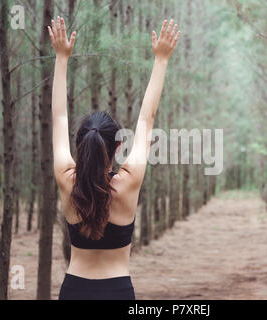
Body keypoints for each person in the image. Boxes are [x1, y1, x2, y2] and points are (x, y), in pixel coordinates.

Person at [47, 16, 180, 300]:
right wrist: (161, 60)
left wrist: (61, 58)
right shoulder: (128, 183)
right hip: (117, 291)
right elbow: (147, 118)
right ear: (119, 148)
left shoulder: (66, 179)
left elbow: (59, 118)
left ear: (79, 145)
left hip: (74, 290)